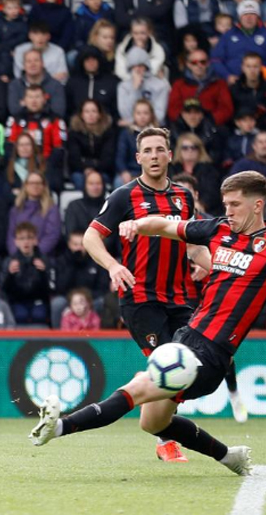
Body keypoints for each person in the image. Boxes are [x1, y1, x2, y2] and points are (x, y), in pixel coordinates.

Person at [31, 170, 266, 476]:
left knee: (139, 386)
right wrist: (137, 225)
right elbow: (168, 226)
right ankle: (230, 456)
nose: (227, 211)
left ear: (258, 205)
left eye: (234, 204)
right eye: (225, 204)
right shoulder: (219, 229)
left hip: (213, 354)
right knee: (152, 423)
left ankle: (58, 427)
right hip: (187, 336)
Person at [83, 127, 206, 463]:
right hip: (141, 299)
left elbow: (191, 243)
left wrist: (212, 266)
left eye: (160, 150)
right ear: (138, 158)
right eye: (147, 151)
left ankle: (152, 408)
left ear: (170, 155)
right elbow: (90, 238)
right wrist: (112, 266)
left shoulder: (184, 197)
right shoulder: (125, 196)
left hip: (181, 297)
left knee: (192, 367)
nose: (154, 156)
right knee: (166, 363)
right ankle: (165, 439)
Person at [0, 222, 55, 326]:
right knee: (20, 315)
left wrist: (43, 273)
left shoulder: (44, 260)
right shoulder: (9, 261)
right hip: (17, 301)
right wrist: (10, 275)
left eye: (29, 238)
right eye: (21, 238)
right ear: (16, 242)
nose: (26, 242)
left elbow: (51, 289)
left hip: (39, 300)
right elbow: (3, 289)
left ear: (35, 240)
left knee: (39, 315)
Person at [166, 49, 234, 128]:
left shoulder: (220, 84)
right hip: (184, 127)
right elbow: (173, 108)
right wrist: (187, 120)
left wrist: (210, 119)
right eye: (194, 63)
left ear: (208, 63)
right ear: (188, 64)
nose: (199, 65)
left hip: (212, 126)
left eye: (203, 62)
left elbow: (226, 108)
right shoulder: (179, 84)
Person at [7, 171, 61, 256]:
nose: (35, 186)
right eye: (31, 183)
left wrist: (35, 255)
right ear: (25, 186)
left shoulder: (51, 209)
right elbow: (11, 236)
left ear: (44, 186)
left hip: (43, 257)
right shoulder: (16, 210)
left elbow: (52, 236)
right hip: (18, 257)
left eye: (38, 183)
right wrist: (17, 255)